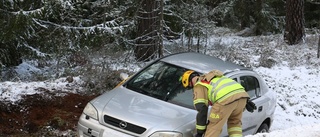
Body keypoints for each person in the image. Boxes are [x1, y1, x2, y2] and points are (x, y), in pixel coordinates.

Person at [181, 69, 251, 137]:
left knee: (213, 129)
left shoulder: (199, 84)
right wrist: (246, 100)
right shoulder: (217, 77)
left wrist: (200, 132)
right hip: (242, 97)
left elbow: (202, 109)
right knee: (234, 124)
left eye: (190, 87)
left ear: (189, 82)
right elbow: (231, 88)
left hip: (224, 100)